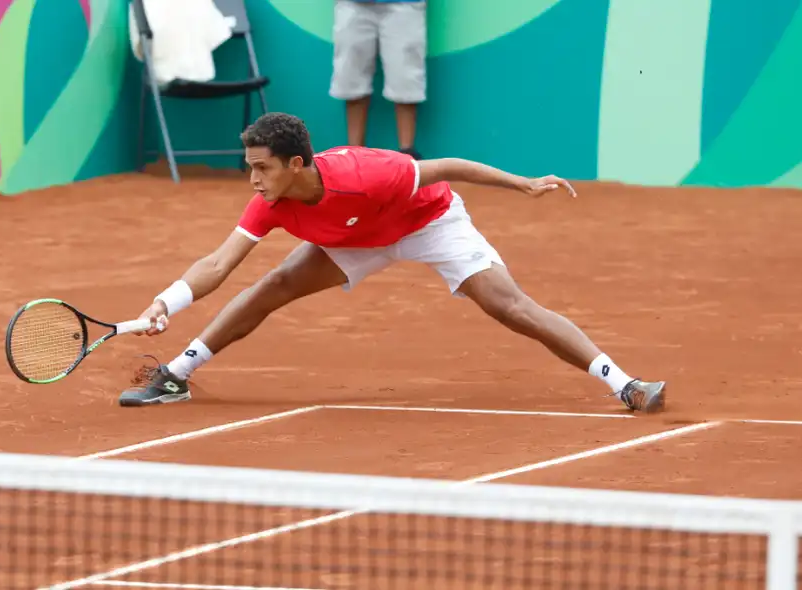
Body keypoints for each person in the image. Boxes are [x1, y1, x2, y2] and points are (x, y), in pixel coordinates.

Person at [119, 112, 666, 414]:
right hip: (357, 238)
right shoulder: (269, 202)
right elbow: (219, 264)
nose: (254, 179)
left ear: (297, 163)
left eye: (262, 168)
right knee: (275, 284)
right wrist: (165, 302)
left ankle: (625, 384)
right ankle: (176, 376)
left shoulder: (367, 174)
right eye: (249, 167)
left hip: (428, 222)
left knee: (510, 307)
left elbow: (448, 166)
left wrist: (520, 184)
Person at [330, 0, 426, 158]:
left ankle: (408, 156)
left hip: (405, 4)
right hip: (353, 4)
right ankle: (354, 156)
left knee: (405, 76)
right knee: (351, 77)